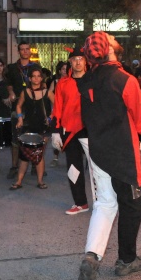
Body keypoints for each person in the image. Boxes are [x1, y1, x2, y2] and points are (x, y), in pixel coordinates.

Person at [77, 31, 141, 280]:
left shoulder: (86, 80)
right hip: (122, 154)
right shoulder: (125, 80)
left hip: (98, 152)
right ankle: (126, 260)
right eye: (110, 37)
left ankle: (91, 256)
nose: (113, 38)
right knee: (131, 206)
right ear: (108, 47)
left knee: (104, 205)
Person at [52, 48, 90, 214]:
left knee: (99, 170)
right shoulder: (63, 83)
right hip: (70, 132)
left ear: (86, 61)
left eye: (81, 58)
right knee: (74, 169)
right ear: (70, 62)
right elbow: (57, 107)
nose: (78, 62)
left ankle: (105, 203)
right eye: (75, 59)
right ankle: (80, 203)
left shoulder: (93, 80)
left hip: (91, 129)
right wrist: (55, 130)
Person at [5, 42, 41, 179]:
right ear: (19, 51)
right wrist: (11, 91)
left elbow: (42, 84)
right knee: (15, 139)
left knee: (34, 138)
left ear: (30, 51)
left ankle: (34, 164)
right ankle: (14, 166)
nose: (25, 52)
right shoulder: (12, 68)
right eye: (22, 49)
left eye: (27, 49)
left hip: (33, 108)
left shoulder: (36, 67)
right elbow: (8, 84)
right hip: (17, 108)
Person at [11, 67, 51, 190]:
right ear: (30, 78)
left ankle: (40, 181)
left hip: (42, 128)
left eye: (39, 76)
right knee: (24, 156)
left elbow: (57, 105)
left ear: (41, 78)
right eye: (34, 76)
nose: (36, 78)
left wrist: (51, 117)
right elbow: (18, 106)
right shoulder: (25, 92)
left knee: (39, 155)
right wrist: (19, 118)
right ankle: (19, 181)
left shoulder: (47, 92)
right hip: (28, 126)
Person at [47, 61, 68, 167]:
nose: (65, 71)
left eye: (66, 69)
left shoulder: (72, 81)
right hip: (58, 112)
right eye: (63, 69)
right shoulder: (55, 82)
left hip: (68, 113)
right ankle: (55, 157)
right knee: (57, 134)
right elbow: (49, 92)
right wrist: (56, 102)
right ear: (59, 71)